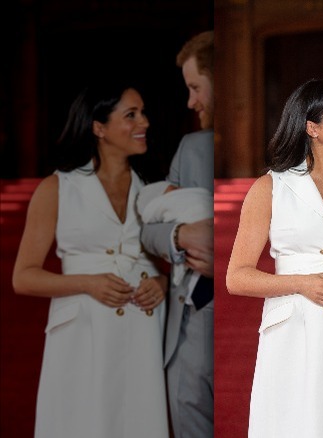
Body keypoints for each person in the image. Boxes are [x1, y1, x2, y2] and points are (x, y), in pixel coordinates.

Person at [226, 78, 323, 437]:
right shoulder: (271, 188)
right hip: (295, 333)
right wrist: (301, 283)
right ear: (312, 127)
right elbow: (237, 277)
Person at [12, 81, 169, 437]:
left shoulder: (155, 187)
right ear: (99, 127)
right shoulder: (58, 188)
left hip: (142, 327)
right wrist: (87, 283)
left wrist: (161, 283)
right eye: (131, 115)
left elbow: (166, 261)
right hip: (81, 330)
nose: (143, 122)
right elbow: (23, 277)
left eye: (143, 112)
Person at [139, 30, 215, 438]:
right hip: (190, 325)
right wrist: (182, 235)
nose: (191, 102)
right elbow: (148, 231)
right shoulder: (190, 147)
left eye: (196, 88)